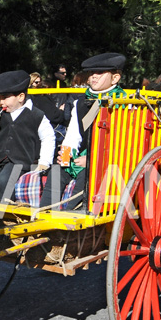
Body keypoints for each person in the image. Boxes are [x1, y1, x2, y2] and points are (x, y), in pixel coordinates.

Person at [41, 53, 127, 209]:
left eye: (100, 73)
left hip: (112, 161)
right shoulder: (80, 103)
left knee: (87, 174)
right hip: (85, 156)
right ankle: (44, 216)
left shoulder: (125, 104)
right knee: (57, 171)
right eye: (92, 73)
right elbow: (73, 135)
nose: (94, 76)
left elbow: (123, 142)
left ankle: (70, 219)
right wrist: (66, 155)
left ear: (115, 78)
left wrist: (92, 159)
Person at [0, 70, 55, 202]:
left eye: (5, 97)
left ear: (21, 97)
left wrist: (44, 162)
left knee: (4, 181)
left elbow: (48, 138)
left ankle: (7, 215)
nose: (1, 102)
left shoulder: (36, 115)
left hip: (19, 162)